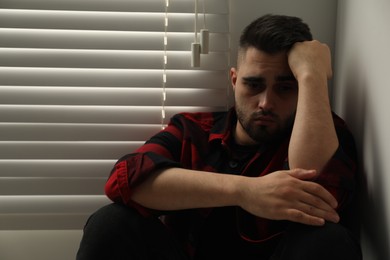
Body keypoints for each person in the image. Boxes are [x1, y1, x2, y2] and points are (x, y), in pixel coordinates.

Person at [77, 14, 362, 260]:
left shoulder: (325, 133)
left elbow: (319, 193)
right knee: (112, 222)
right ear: (235, 80)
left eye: (285, 88)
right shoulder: (193, 131)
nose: (265, 102)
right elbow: (125, 180)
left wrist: (312, 75)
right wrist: (246, 191)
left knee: (328, 238)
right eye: (253, 84)